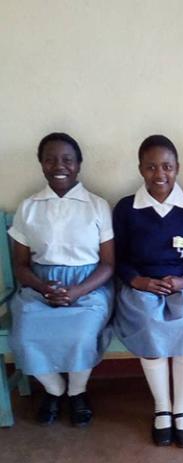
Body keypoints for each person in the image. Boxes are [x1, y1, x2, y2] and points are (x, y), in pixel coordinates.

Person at [9, 132, 114, 427]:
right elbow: (20, 264)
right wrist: (43, 288)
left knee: (81, 333)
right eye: (50, 159)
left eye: (67, 159)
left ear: (78, 165)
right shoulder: (28, 207)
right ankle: (55, 390)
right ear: (41, 164)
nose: (59, 166)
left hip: (89, 285)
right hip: (40, 285)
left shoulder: (97, 205)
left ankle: (78, 392)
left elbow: (108, 264)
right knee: (24, 334)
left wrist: (78, 291)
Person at [113, 135, 183, 448]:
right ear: (140, 169)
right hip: (141, 286)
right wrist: (137, 280)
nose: (160, 174)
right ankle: (162, 407)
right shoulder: (127, 209)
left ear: (177, 168)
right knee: (148, 322)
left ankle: (182, 407)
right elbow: (118, 258)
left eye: (167, 166)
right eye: (151, 167)